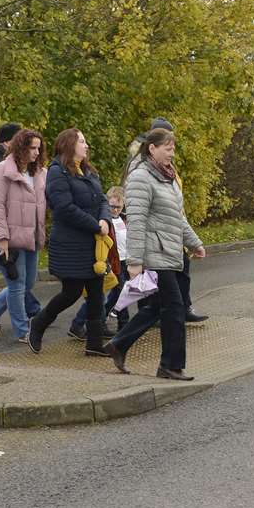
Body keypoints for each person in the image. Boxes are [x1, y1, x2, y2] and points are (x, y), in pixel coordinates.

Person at [107, 128, 204, 380]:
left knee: (157, 306)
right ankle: (170, 365)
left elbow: (177, 217)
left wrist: (194, 243)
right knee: (175, 308)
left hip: (168, 251)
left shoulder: (167, 177)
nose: (172, 153)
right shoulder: (141, 177)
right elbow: (137, 221)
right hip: (154, 253)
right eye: (167, 148)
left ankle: (119, 344)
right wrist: (136, 261)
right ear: (152, 149)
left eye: (173, 148)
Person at [29, 129, 112, 356]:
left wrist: (105, 219)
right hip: (70, 245)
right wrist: (96, 225)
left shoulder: (87, 170)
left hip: (93, 245)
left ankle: (94, 344)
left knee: (96, 292)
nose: (86, 146)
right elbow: (64, 208)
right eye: (82, 141)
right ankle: (38, 324)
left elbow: (102, 199)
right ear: (69, 144)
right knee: (72, 291)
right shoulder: (58, 172)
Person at [0, 128, 47, 343]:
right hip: (11, 240)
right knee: (17, 285)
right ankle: (22, 330)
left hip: (31, 237)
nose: (37, 152)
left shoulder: (39, 173)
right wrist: (2, 239)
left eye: (39, 148)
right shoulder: (2, 171)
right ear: (21, 148)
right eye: (32, 148)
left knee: (27, 284)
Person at [69, 184, 129, 340]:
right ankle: (81, 323)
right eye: (112, 206)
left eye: (118, 207)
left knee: (114, 295)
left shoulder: (123, 220)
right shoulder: (104, 221)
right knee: (99, 296)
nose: (115, 209)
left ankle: (102, 321)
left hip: (122, 262)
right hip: (107, 263)